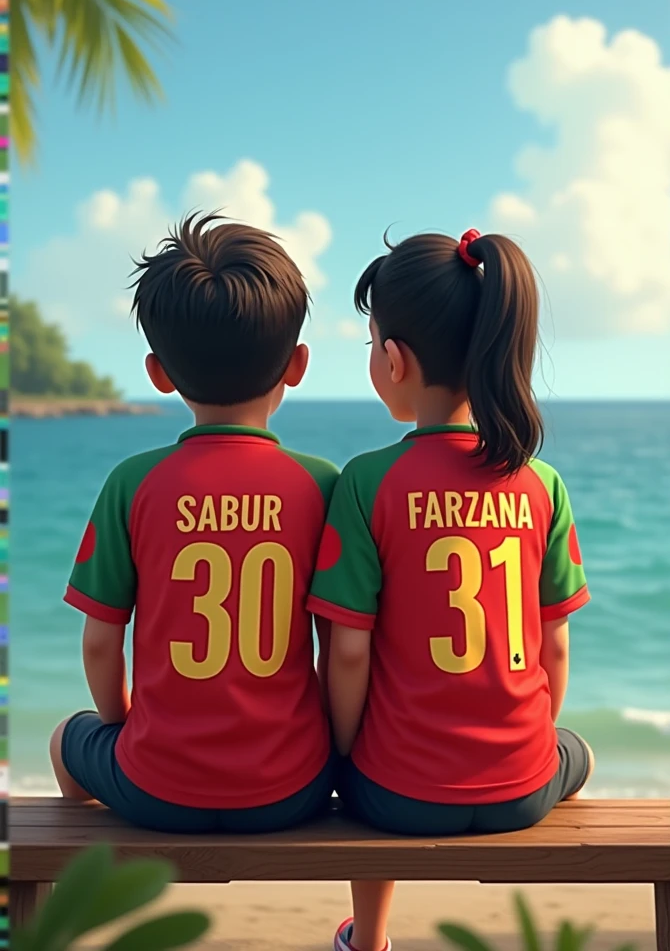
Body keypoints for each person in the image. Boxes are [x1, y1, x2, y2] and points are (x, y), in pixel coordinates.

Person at [308, 229, 594, 951]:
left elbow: (347, 656)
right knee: (577, 752)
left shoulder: (365, 483)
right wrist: (526, 742)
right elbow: (554, 647)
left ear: (394, 360)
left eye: (372, 344)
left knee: (374, 758)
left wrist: (345, 756)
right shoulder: (541, 484)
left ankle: (368, 939)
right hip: (523, 788)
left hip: (395, 799)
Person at [50, 212, 338, 833]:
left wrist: (127, 728)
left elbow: (101, 643)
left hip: (158, 789)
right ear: (297, 363)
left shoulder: (133, 483)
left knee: (65, 739)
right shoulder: (322, 485)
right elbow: (342, 648)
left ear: (158, 374)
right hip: (292, 790)